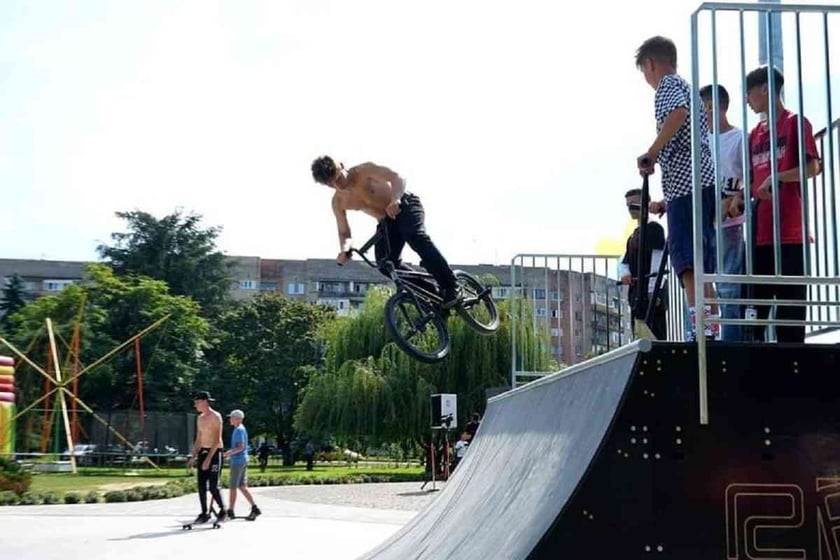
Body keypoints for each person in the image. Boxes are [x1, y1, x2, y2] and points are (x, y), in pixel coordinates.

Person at [635, 35, 719, 342]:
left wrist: (653, 151)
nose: (646, 78)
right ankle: (709, 328)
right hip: (700, 182)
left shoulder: (668, 86)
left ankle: (702, 330)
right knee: (700, 259)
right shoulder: (688, 87)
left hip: (687, 184)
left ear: (651, 64)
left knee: (687, 262)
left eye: (644, 71)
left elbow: (677, 114)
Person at [730, 65, 821, 343]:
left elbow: (813, 166)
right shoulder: (754, 134)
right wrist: (738, 198)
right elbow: (750, 178)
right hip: (759, 235)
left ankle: (792, 377)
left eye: (749, 93)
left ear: (766, 89)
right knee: (753, 316)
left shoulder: (796, 123)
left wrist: (779, 176)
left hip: (790, 235)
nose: (746, 100)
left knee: (790, 319)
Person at [311, 155, 460, 308]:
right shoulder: (338, 202)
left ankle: (451, 286)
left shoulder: (364, 171)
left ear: (342, 166)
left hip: (405, 205)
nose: (339, 185)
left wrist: (395, 199)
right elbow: (344, 232)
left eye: (339, 177)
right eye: (332, 184)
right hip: (387, 222)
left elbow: (397, 177)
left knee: (414, 236)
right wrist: (345, 250)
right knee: (385, 264)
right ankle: (433, 295)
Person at [700, 83, 747, 342]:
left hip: (729, 223)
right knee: (702, 286)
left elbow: (748, 178)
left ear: (716, 107)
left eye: (704, 109)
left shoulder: (739, 138)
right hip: (705, 223)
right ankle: (703, 340)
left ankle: (731, 342)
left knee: (729, 287)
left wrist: (736, 199)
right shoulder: (700, 142)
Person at [619, 188, 668, 340]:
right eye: (628, 205)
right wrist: (625, 273)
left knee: (654, 333)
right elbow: (624, 262)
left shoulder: (654, 229)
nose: (630, 208)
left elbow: (658, 260)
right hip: (637, 295)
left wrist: (654, 290)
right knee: (639, 333)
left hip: (650, 292)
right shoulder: (633, 235)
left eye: (634, 204)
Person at [187, 391, 227, 524]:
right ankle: (204, 513)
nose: (195, 405)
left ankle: (223, 510)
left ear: (204, 401)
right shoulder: (200, 418)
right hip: (203, 451)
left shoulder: (216, 417)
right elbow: (199, 438)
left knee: (213, 486)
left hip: (215, 452)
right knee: (201, 486)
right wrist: (193, 456)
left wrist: (209, 459)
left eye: (197, 402)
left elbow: (217, 439)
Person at [223, 409, 261, 521]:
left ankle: (230, 510)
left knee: (233, 486)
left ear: (238, 419)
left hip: (238, 461)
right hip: (242, 460)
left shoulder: (238, 430)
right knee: (242, 486)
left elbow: (240, 447)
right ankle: (255, 508)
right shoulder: (240, 429)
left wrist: (227, 454)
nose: (230, 419)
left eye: (232, 417)